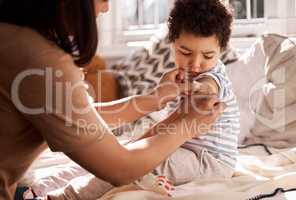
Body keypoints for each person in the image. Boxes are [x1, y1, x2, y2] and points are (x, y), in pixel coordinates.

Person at [0, 0, 225, 199]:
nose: (107, 8)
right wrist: (186, 125)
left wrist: (154, 99)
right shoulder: (41, 60)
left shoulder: (15, 37)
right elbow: (120, 169)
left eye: (207, 55)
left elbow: (82, 116)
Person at [146, 0, 240, 184]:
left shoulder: (213, 77)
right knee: (135, 151)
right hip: (186, 151)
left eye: (208, 56)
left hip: (210, 162)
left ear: (221, 50)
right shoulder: (176, 77)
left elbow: (207, 90)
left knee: (142, 162)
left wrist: (196, 88)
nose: (196, 64)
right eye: (186, 53)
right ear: (172, 44)